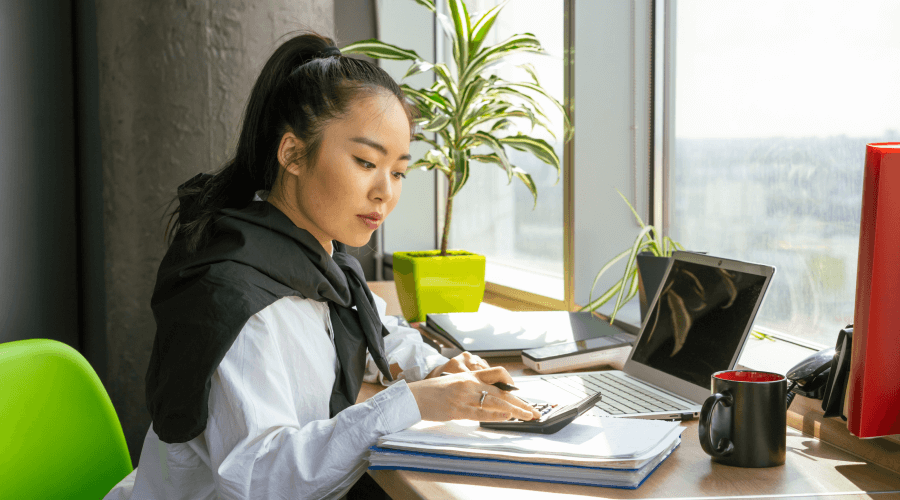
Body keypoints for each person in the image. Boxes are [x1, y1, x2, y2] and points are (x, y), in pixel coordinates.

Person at [103, 32, 539, 500]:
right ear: (291, 153)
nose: (384, 193)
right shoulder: (242, 300)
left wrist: (436, 371)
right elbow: (258, 480)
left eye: (397, 172)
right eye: (365, 161)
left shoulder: (316, 260)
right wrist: (410, 402)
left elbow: (378, 327)